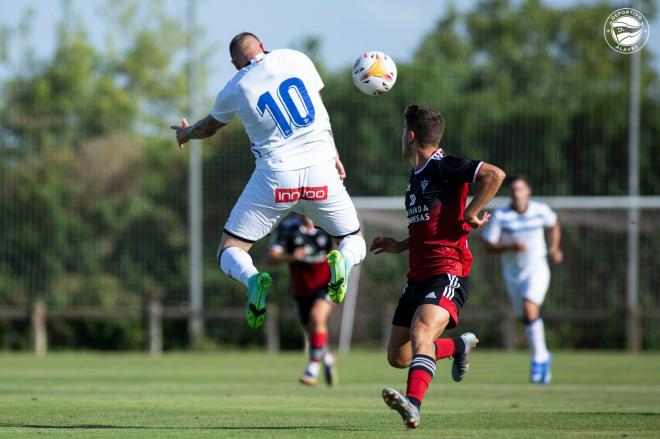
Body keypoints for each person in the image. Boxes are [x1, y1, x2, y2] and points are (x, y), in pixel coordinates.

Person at [170, 32, 366, 329]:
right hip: (320, 171)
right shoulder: (296, 58)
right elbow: (320, 114)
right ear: (262, 46)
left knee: (230, 249)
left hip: (276, 177)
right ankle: (343, 261)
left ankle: (252, 280)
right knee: (353, 239)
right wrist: (335, 154)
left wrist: (186, 133)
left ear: (236, 64)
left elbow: (208, 128)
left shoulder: (236, 86)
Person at [370, 104, 505, 429]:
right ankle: (459, 345)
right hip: (417, 274)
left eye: (403, 131)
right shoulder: (416, 176)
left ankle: (413, 406)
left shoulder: (443, 166)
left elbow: (494, 174)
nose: (401, 137)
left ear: (411, 135)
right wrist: (399, 245)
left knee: (421, 332)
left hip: (448, 271)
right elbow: (427, 226)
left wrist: (471, 212)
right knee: (399, 357)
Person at [481, 175, 562, 384]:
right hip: (513, 274)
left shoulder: (540, 210)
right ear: (510, 194)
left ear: (528, 192)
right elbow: (488, 245)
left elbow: (554, 225)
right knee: (525, 317)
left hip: (537, 269)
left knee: (529, 308)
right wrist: (510, 246)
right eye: (514, 190)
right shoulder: (501, 216)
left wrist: (554, 247)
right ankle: (544, 356)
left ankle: (538, 358)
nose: (517, 193)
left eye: (521, 189)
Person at [267, 214, 337, 386]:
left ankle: (312, 368)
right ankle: (326, 355)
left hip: (327, 284)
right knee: (311, 329)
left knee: (316, 318)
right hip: (301, 289)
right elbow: (271, 258)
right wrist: (291, 256)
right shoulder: (288, 228)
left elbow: (346, 246)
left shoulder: (327, 224)